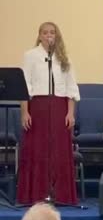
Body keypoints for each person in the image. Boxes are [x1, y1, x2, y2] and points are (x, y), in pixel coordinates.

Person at [17, 22, 80, 205]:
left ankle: (60, 195)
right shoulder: (30, 56)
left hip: (59, 107)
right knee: (37, 149)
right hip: (38, 107)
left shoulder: (64, 57)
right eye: (45, 33)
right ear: (40, 35)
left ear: (57, 35)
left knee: (59, 150)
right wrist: (24, 112)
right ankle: (35, 194)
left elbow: (71, 87)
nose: (48, 36)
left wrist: (70, 113)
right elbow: (25, 86)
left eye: (52, 32)